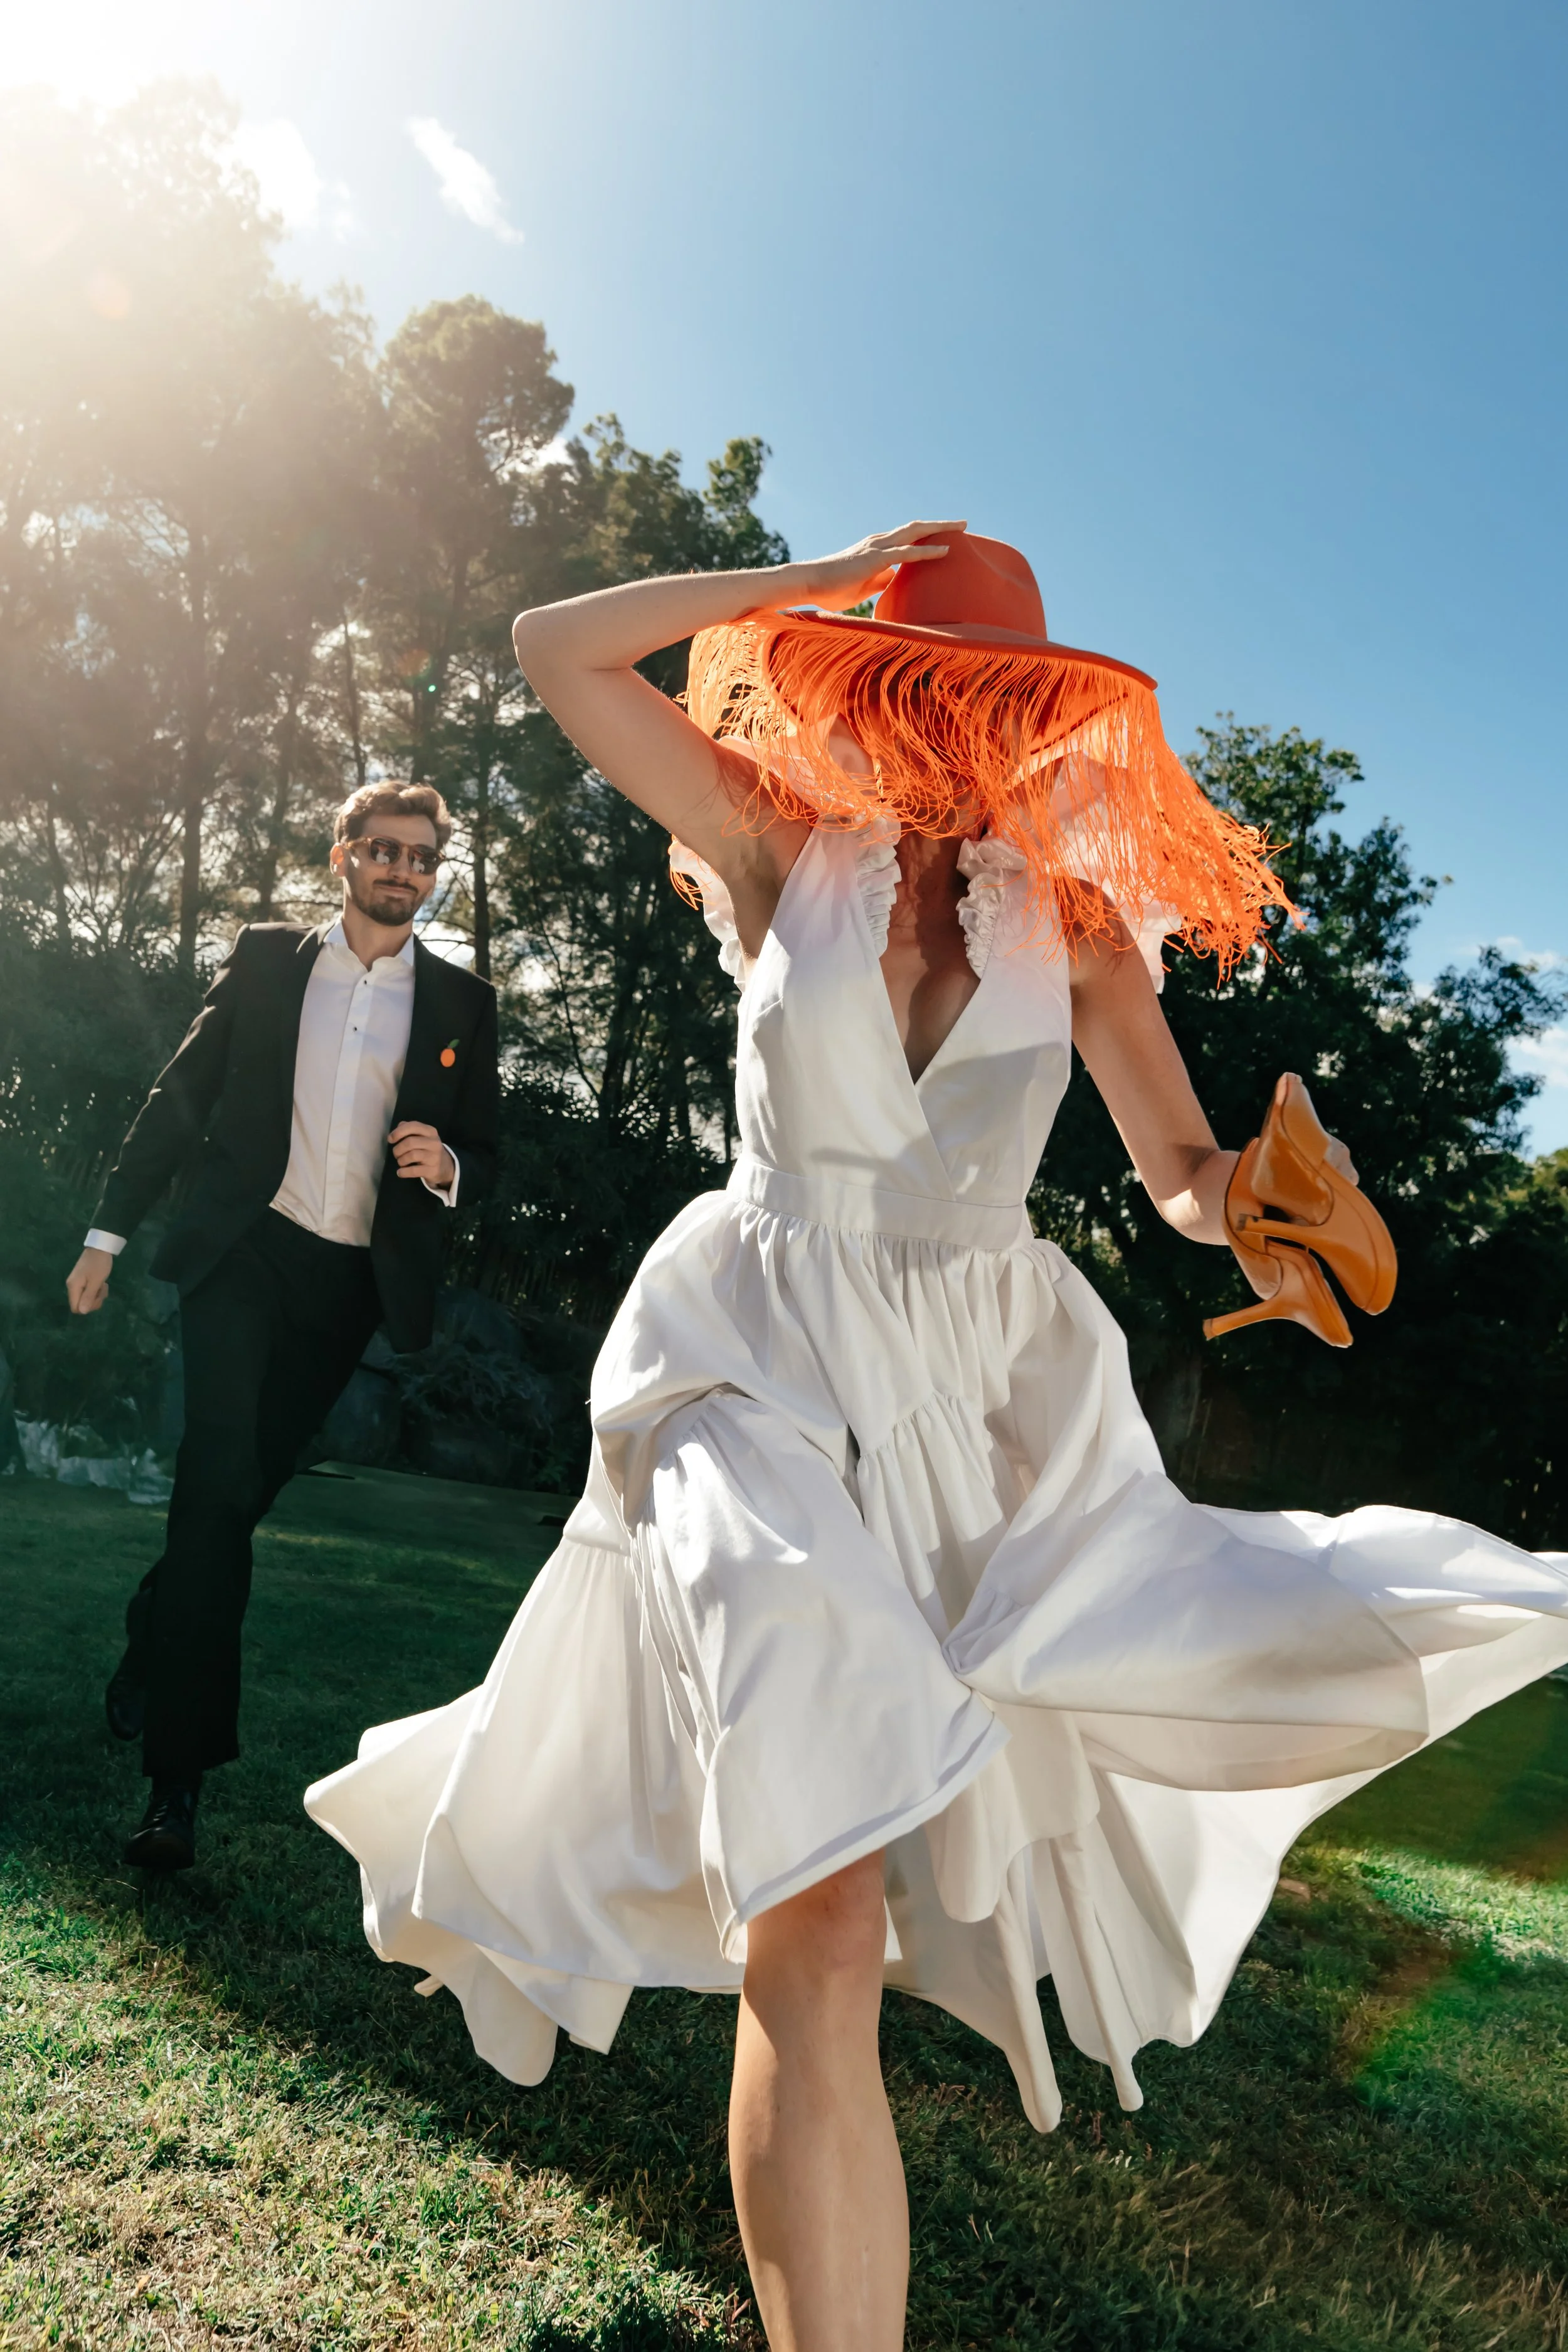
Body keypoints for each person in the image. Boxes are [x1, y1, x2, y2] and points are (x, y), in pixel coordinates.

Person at [305, 529, 1568, 2352]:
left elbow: (1182, 1178)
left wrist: (1274, 1213)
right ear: (862, 682)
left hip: (979, 1388)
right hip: (746, 1354)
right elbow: (553, 647)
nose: (963, 731)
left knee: (1217, 1621)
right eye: (928, 685)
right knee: (807, 1922)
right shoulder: (767, 847)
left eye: (1002, 705)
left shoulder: (1067, 923)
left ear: (1033, 722)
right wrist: (805, 569)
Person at [69, 782, 500, 1873]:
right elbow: (181, 1094)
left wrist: (446, 1168)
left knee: (234, 1507)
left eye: (423, 856)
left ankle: (152, 1627)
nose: (405, 868)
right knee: (214, 1487)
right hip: (242, 1257)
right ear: (344, 856)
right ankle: (178, 1786)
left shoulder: (461, 1004)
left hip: (347, 1285)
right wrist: (107, 1234)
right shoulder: (269, 960)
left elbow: (488, 1152)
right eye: (385, 849)